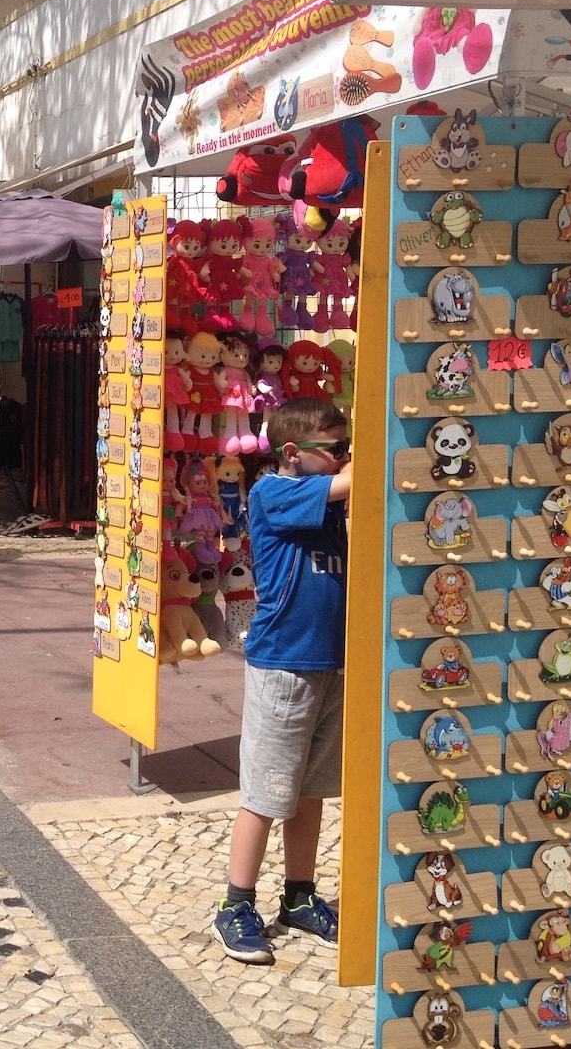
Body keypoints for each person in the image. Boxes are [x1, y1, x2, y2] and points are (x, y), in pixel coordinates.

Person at [212, 395, 351, 965]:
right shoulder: (274, 491)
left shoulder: (326, 493)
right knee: (265, 795)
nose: (343, 459)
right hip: (282, 667)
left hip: (329, 663)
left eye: (347, 448)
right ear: (292, 453)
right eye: (335, 449)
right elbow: (353, 479)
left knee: (312, 791)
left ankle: (299, 895)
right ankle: (235, 904)